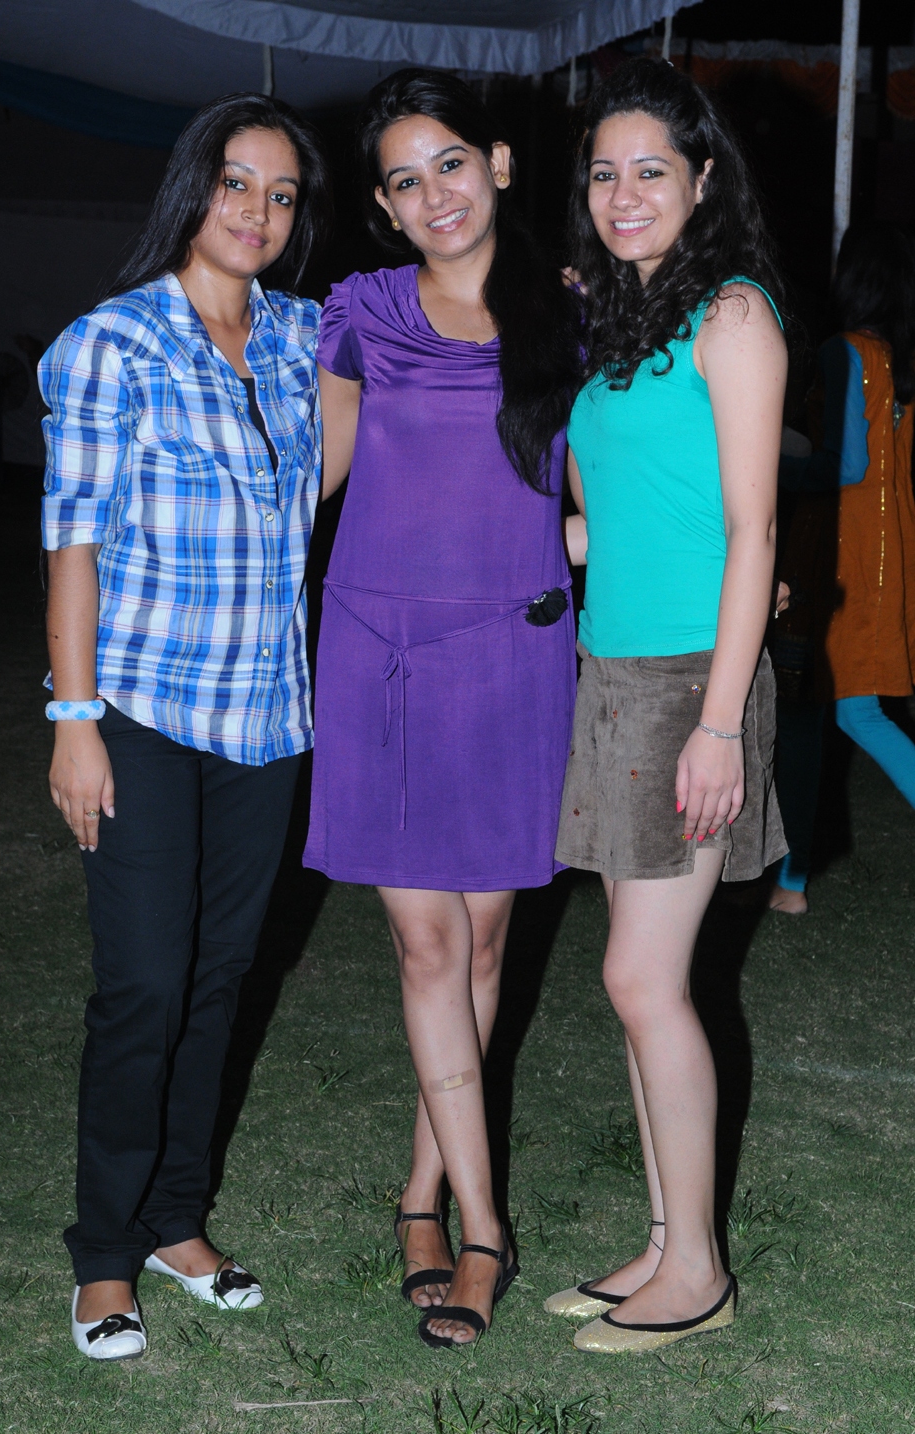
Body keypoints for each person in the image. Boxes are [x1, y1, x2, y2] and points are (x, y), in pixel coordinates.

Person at [40, 93, 330, 1361]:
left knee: (218, 979)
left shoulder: (301, 336)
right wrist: (74, 720)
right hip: (143, 706)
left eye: (281, 193)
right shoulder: (112, 341)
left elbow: (427, 340)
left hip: (265, 714)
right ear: (190, 186)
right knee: (145, 984)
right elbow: (73, 540)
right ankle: (105, 1251)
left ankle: (174, 1219)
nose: (257, 211)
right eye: (236, 182)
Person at [302, 69, 581, 1348]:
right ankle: (482, 1233)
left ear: (499, 165)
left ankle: (419, 1193)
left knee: (479, 956)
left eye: (450, 164)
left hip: (511, 657)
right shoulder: (359, 311)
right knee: (426, 949)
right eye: (404, 181)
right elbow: (312, 473)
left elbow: (594, 493)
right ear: (382, 206)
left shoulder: (569, 312)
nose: (434, 195)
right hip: (380, 653)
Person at [544, 58, 788, 1354]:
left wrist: (716, 722)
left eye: (650, 168)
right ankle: (657, 1240)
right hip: (614, 672)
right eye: (603, 172)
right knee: (635, 978)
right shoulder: (627, 326)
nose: (622, 192)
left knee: (642, 977)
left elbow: (753, 532)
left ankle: (695, 1268)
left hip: (691, 682)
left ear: (701, 179)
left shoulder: (731, 315)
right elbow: (621, 525)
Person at [769, 223, 915, 915]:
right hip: (887, 552)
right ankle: (790, 879)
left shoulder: (845, 350)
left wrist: (767, 462)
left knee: (821, 710)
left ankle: (791, 878)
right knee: (842, 710)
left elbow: (845, 466)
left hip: (836, 552)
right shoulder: (899, 360)